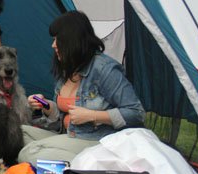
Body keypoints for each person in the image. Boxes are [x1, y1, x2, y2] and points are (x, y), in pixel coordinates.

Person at [18, 10, 145, 165]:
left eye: (58, 40)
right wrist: (46, 106)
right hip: (69, 137)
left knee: (31, 151)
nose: (53, 45)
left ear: (72, 40)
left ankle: (94, 168)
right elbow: (60, 121)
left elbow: (135, 113)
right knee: (18, 133)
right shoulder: (67, 68)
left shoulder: (104, 69)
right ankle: (65, 166)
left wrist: (93, 115)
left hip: (97, 142)